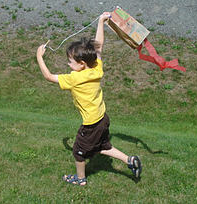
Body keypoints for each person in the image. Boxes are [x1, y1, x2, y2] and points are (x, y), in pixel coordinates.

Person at [36, 12, 142, 186]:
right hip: (102, 118)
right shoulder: (95, 69)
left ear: (82, 64)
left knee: (79, 152)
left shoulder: (74, 78)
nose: (68, 65)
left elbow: (48, 76)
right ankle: (129, 160)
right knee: (103, 146)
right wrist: (101, 21)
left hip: (91, 123)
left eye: (70, 62)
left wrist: (39, 57)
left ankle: (80, 179)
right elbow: (98, 48)